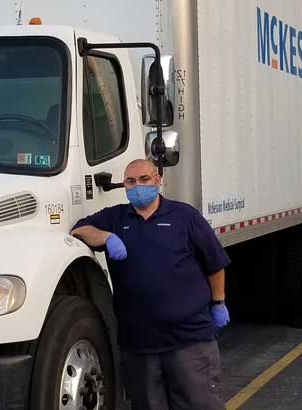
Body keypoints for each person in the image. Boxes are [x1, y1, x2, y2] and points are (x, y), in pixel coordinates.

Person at [70, 159, 231, 410]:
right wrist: (107, 237)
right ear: (124, 186)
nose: (138, 186)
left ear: (157, 180)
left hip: (189, 341)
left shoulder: (184, 216)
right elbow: (78, 231)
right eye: (131, 182)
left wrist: (218, 302)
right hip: (140, 346)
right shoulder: (115, 218)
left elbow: (215, 264)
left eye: (144, 180)